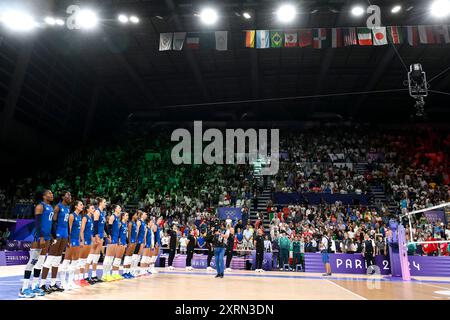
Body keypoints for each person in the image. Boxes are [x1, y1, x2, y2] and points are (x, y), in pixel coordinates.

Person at [19, 190, 54, 298]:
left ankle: (34, 286)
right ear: (44, 196)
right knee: (33, 261)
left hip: (47, 237)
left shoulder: (51, 207)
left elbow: (49, 223)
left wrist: (51, 236)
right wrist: (41, 237)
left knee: (40, 262)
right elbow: (38, 224)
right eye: (49, 193)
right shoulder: (40, 206)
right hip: (39, 237)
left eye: (52, 193)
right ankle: (24, 288)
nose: (52, 195)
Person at [40, 191, 72, 293]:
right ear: (63, 197)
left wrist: (68, 237)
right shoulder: (57, 207)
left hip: (65, 234)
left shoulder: (68, 208)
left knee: (58, 259)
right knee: (50, 258)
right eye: (68, 195)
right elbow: (53, 222)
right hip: (57, 234)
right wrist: (53, 236)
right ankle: (42, 284)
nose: (70, 197)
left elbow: (66, 224)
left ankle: (53, 284)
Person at [62, 200, 83, 290]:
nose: (82, 206)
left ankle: (71, 282)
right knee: (66, 261)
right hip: (71, 240)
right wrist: (68, 241)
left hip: (77, 241)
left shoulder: (80, 216)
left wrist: (80, 240)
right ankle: (63, 283)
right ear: (75, 206)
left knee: (75, 262)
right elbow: (68, 229)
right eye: (81, 204)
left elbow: (78, 231)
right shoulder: (72, 215)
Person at [86, 198, 107, 283]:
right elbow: (95, 225)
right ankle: (87, 276)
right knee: (91, 255)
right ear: (100, 203)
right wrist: (96, 236)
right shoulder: (97, 212)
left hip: (101, 235)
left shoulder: (102, 213)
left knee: (96, 256)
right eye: (104, 202)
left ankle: (94, 275)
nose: (106, 203)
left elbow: (102, 226)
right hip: (96, 236)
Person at [101, 204, 121, 282]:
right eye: (119, 208)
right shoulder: (112, 217)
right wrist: (109, 236)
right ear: (115, 209)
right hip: (112, 237)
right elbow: (108, 227)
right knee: (108, 256)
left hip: (116, 238)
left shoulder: (117, 218)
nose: (120, 209)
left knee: (111, 257)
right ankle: (104, 274)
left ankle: (108, 274)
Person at [79, 203, 94, 285]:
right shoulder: (85, 218)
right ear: (88, 209)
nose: (93, 209)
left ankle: (82, 278)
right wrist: (82, 240)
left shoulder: (91, 218)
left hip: (89, 240)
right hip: (84, 240)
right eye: (92, 208)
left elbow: (90, 232)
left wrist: (92, 240)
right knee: (81, 259)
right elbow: (81, 230)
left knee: (85, 259)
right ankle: (78, 278)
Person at [122, 211, 138, 278]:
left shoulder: (134, 223)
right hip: (131, 241)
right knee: (127, 256)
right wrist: (129, 242)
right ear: (133, 216)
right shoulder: (130, 223)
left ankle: (128, 272)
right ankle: (124, 272)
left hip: (134, 241)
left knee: (130, 257)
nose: (137, 216)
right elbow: (129, 233)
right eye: (136, 215)